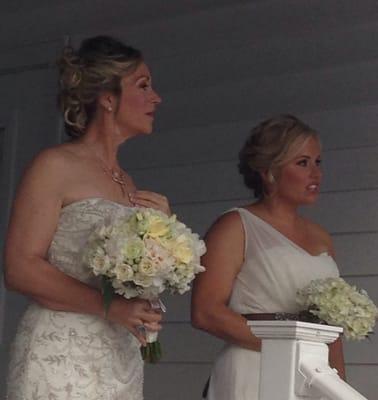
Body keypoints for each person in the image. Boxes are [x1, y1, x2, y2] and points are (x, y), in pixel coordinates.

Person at [4, 35, 170, 400]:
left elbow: (124, 280)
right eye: (143, 86)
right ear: (107, 98)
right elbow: (20, 267)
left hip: (117, 355)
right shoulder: (55, 165)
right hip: (62, 351)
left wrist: (163, 250)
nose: (156, 97)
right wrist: (112, 308)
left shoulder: (127, 183)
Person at [191, 115, 345, 400]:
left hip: (312, 375)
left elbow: (331, 326)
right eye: (303, 163)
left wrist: (337, 386)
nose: (316, 174)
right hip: (253, 369)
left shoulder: (321, 237)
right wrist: (288, 348)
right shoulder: (235, 226)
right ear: (268, 171)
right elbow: (206, 312)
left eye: (318, 162)